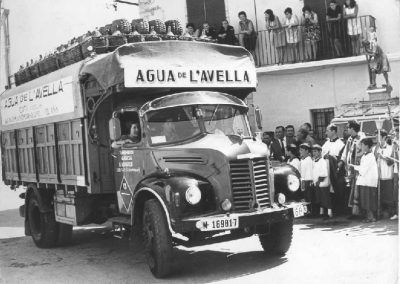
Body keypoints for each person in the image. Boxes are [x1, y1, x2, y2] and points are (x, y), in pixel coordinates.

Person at [339, 120, 365, 219]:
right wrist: (341, 162)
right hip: (350, 169)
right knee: (351, 190)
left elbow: (363, 152)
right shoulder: (350, 139)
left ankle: (360, 212)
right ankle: (353, 212)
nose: (346, 129)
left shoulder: (361, 138)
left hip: (358, 170)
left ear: (353, 129)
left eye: (348, 127)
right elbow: (346, 152)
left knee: (358, 190)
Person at [349, 138, 378, 222]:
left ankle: (371, 217)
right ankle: (369, 217)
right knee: (365, 200)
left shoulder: (370, 156)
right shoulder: (365, 155)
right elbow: (362, 168)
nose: (361, 146)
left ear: (367, 146)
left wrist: (354, 167)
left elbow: (363, 170)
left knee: (368, 200)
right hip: (365, 181)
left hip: (368, 181)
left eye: (362, 145)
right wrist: (353, 166)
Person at [322, 124, 346, 215]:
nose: (326, 133)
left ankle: (339, 211)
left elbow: (341, 159)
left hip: (336, 172)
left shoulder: (341, 144)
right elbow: (322, 154)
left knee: (338, 190)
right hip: (326, 171)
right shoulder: (326, 143)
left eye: (327, 131)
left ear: (333, 131)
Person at [376, 130, 395, 218]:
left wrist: (382, 157)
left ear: (383, 137)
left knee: (388, 195)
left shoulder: (390, 148)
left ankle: (391, 212)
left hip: (387, 175)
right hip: (378, 176)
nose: (376, 138)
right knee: (380, 195)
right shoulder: (375, 148)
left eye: (378, 136)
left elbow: (391, 162)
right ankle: (381, 212)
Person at [312, 144, 333, 219]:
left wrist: (318, 181)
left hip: (322, 182)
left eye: (315, 151)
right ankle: (321, 212)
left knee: (325, 198)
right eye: (313, 151)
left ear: (320, 152)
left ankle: (329, 213)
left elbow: (324, 173)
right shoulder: (314, 161)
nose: (314, 153)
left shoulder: (322, 161)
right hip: (317, 183)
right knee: (320, 198)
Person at [299, 143, 314, 214]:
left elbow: (310, 172)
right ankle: (306, 211)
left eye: (302, 150)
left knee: (308, 196)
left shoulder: (309, 160)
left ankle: (310, 211)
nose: (300, 151)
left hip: (308, 180)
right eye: (300, 150)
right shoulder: (302, 160)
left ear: (307, 151)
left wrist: (308, 181)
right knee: (304, 196)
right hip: (303, 180)